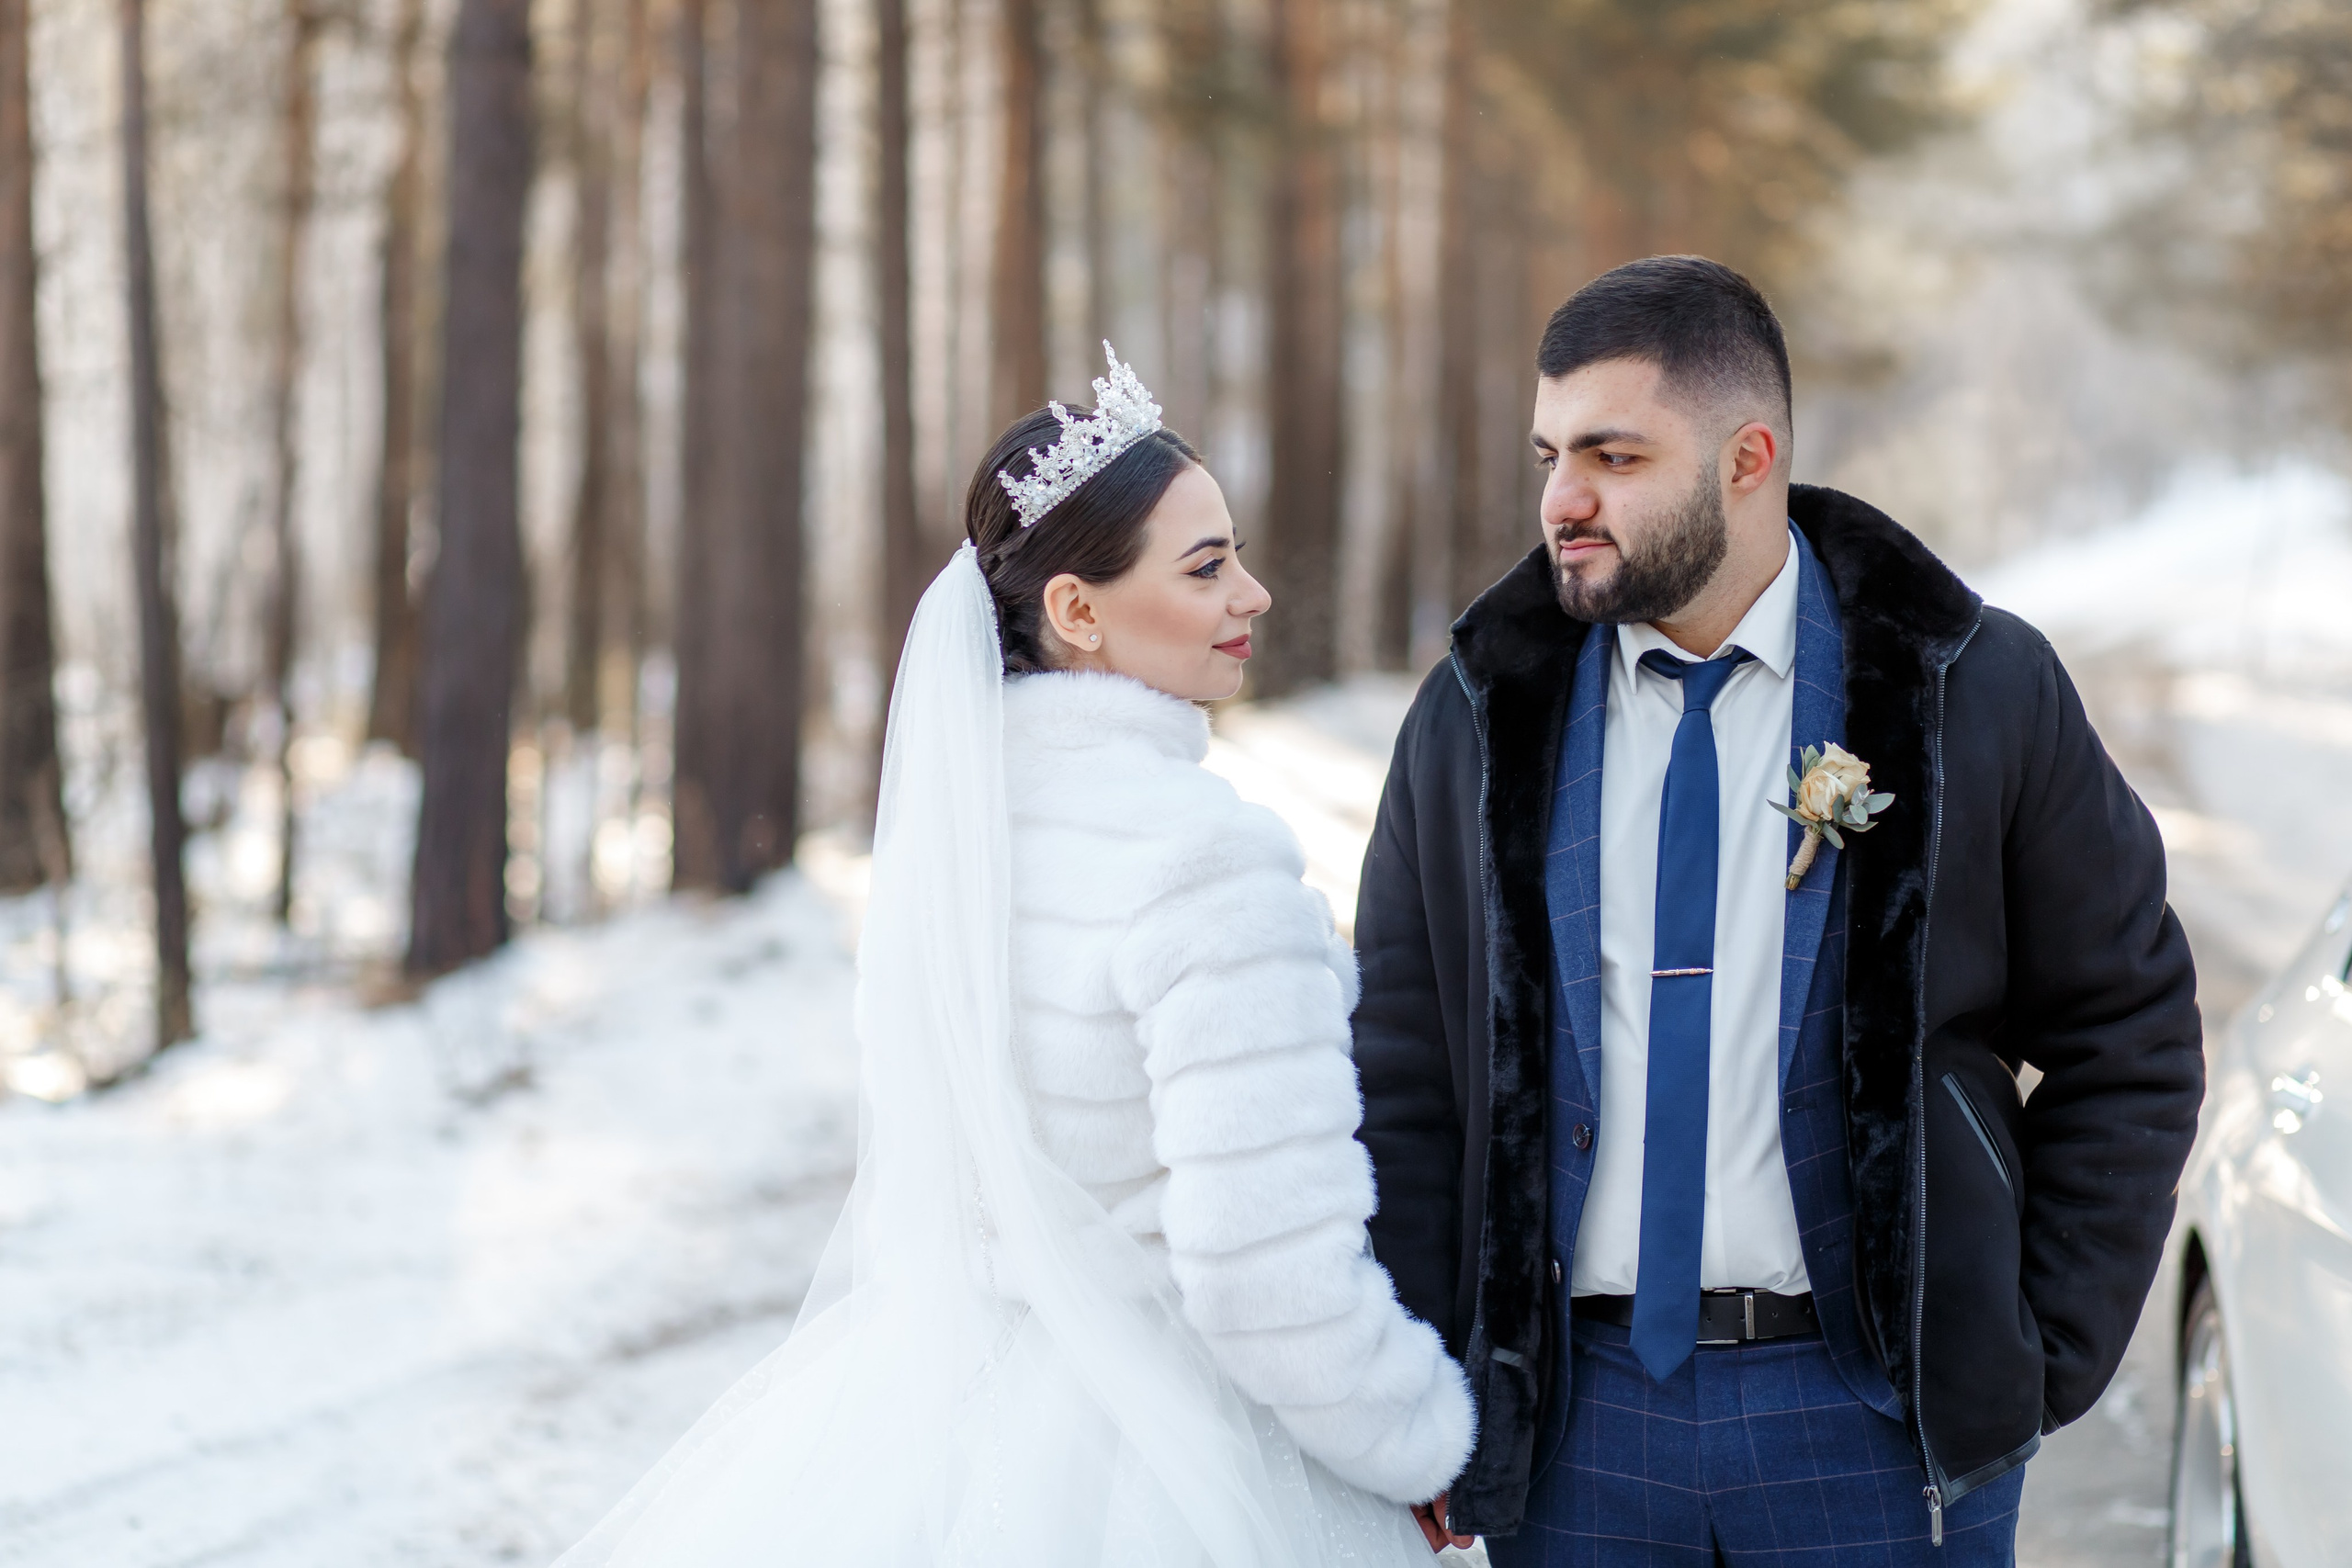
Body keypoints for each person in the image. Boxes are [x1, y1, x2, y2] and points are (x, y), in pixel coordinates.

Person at [555, 345, 1475, 1568]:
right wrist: (1422, 1444)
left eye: (1238, 558)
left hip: (956, 1430)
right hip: (1188, 1460)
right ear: (1077, 611)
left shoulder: (956, 850)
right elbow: (1266, 1273)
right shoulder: (1208, 865)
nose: (1252, 595)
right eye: (1207, 567)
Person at [1351, 258, 2203, 1563]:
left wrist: (2026, 1347)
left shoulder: (1968, 688)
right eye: (1550, 455)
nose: (1562, 499)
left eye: (1614, 456)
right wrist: (1422, 1382)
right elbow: (1403, 1073)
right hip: (1578, 1438)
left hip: (1873, 1430)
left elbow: (2128, 1026)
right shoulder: (1477, 714)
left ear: (1747, 459)